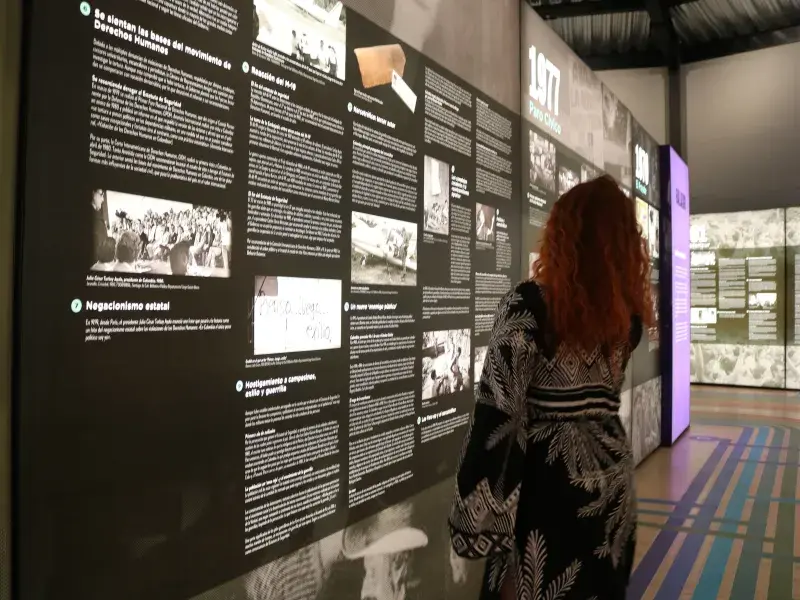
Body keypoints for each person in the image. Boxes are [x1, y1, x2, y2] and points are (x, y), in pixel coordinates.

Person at [449, 175, 654, 600]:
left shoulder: (530, 306)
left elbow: (497, 413)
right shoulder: (626, 322)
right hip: (611, 481)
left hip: (549, 489)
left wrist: (472, 518)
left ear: (564, 235)